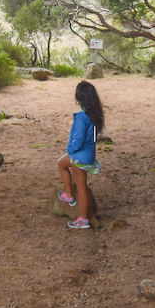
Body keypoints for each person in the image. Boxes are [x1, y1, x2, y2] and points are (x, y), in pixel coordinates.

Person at [57, 79, 104, 230]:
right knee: (61, 163)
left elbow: (77, 140)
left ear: (79, 98)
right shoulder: (94, 114)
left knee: (81, 187)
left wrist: (70, 151)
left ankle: (83, 219)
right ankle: (69, 195)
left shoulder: (82, 117)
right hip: (88, 154)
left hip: (79, 157)